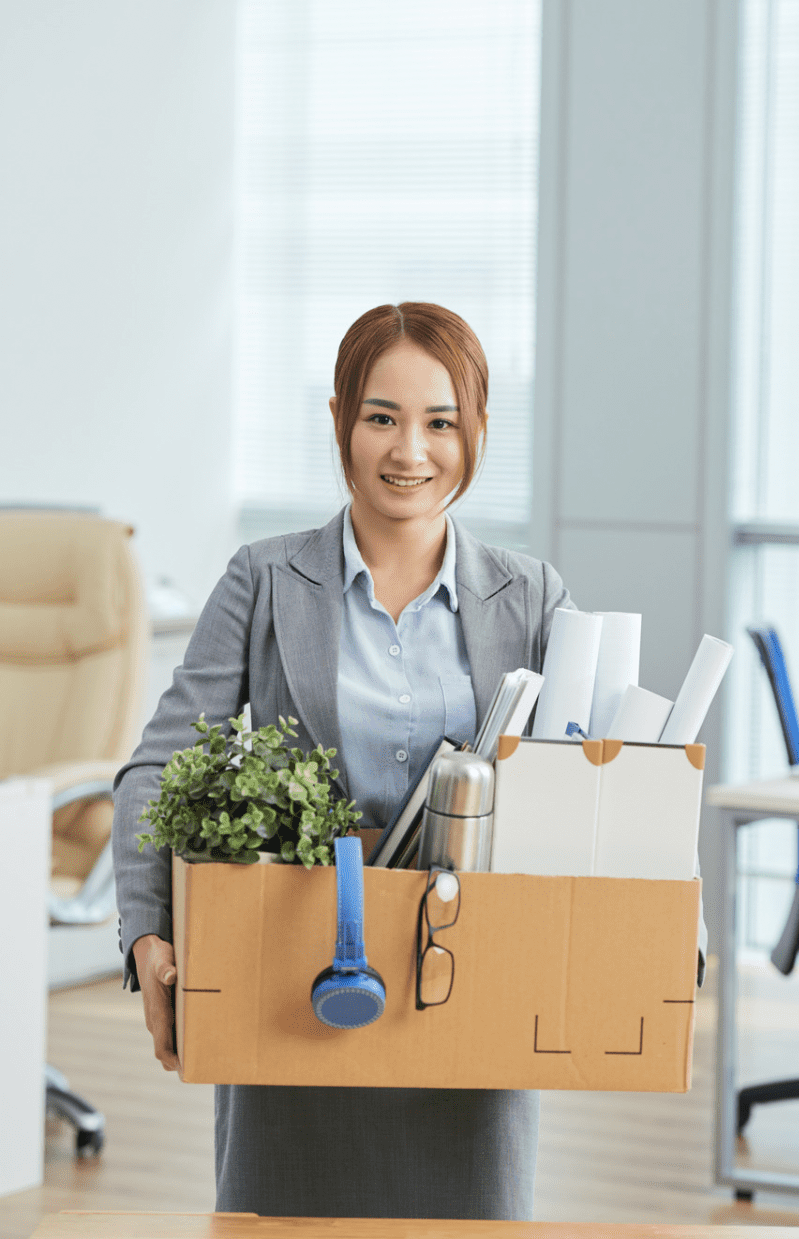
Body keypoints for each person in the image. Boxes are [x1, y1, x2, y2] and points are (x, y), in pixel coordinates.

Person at [112, 301, 575, 1220]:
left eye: (441, 422)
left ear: (477, 430)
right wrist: (147, 930)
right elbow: (155, 769)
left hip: (463, 999)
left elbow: (602, 780)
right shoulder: (265, 579)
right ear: (339, 421)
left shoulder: (531, 597)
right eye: (381, 417)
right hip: (297, 991)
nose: (411, 451)